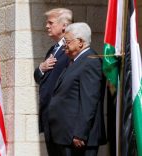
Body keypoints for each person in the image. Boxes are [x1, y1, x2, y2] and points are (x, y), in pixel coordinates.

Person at [48, 22, 107, 156]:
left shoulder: (90, 62)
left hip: (78, 138)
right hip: (66, 136)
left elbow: (89, 101)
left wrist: (80, 133)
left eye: (67, 41)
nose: (64, 45)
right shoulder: (76, 61)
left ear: (80, 42)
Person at [34, 8, 73, 156]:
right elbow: (38, 76)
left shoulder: (71, 49)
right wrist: (41, 68)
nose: (46, 26)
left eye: (51, 23)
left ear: (64, 25)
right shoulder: (53, 49)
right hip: (49, 119)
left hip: (62, 121)